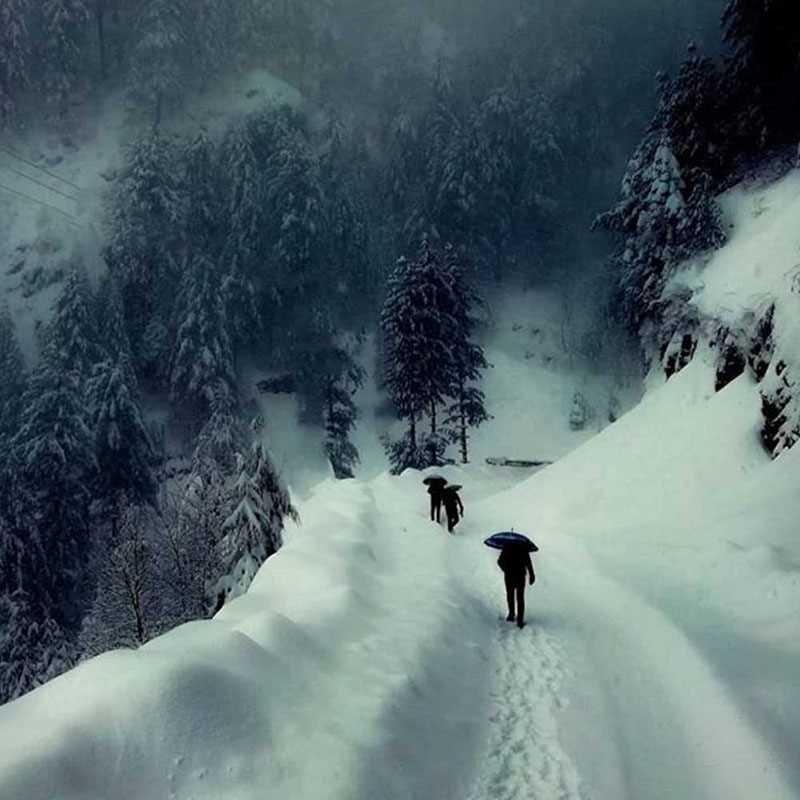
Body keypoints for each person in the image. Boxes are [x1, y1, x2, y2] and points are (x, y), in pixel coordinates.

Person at [497, 544, 535, 628]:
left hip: (509, 576)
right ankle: (520, 621)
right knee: (520, 597)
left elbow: (499, 561)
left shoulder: (507, 547)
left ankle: (511, 615)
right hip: (520, 576)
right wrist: (532, 575)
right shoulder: (523, 548)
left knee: (510, 595)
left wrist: (506, 569)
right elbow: (528, 563)